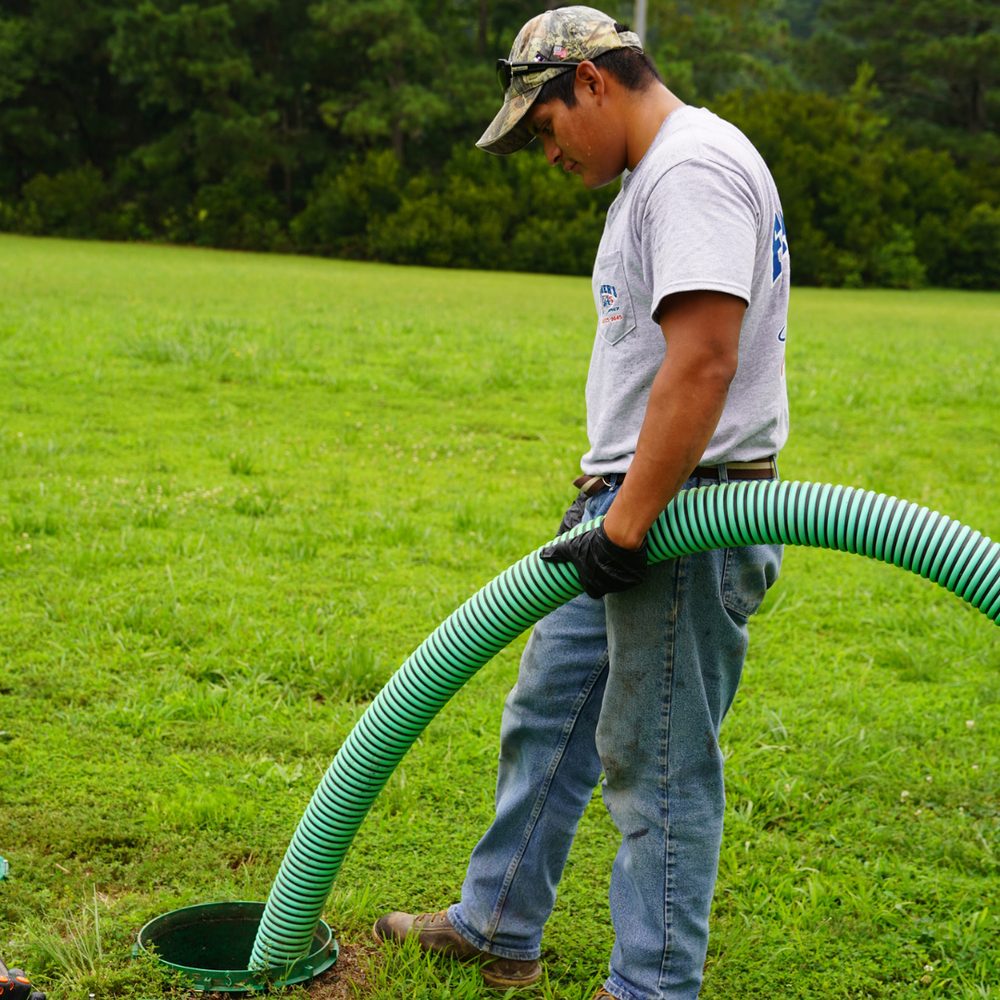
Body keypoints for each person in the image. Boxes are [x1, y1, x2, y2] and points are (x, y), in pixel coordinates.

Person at [373, 6, 789, 998]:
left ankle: (647, 985)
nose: (541, 150)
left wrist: (631, 523)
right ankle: (498, 921)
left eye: (543, 125)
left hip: (680, 514)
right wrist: (609, 515)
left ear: (593, 83)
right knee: (549, 716)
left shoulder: (688, 169)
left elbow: (701, 359)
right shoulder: (658, 176)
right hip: (625, 506)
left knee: (655, 763)